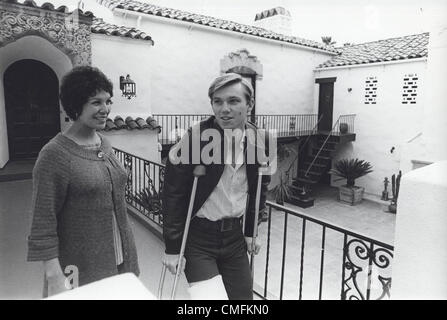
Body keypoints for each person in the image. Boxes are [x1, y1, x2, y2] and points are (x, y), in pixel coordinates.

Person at [27, 66, 139, 297]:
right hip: (80, 267)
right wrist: (54, 275)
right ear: (76, 105)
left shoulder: (104, 144)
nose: (105, 109)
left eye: (108, 101)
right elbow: (43, 221)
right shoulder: (54, 155)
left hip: (120, 258)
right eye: (96, 102)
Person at [162, 73, 272, 300]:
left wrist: (252, 231)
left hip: (234, 238)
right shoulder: (195, 138)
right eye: (218, 101)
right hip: (198, 239)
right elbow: (173, 193)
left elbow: (260, 187)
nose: (224, 109)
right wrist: (173, 247)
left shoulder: (261, 140)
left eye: (233, 101)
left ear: (249, 104)